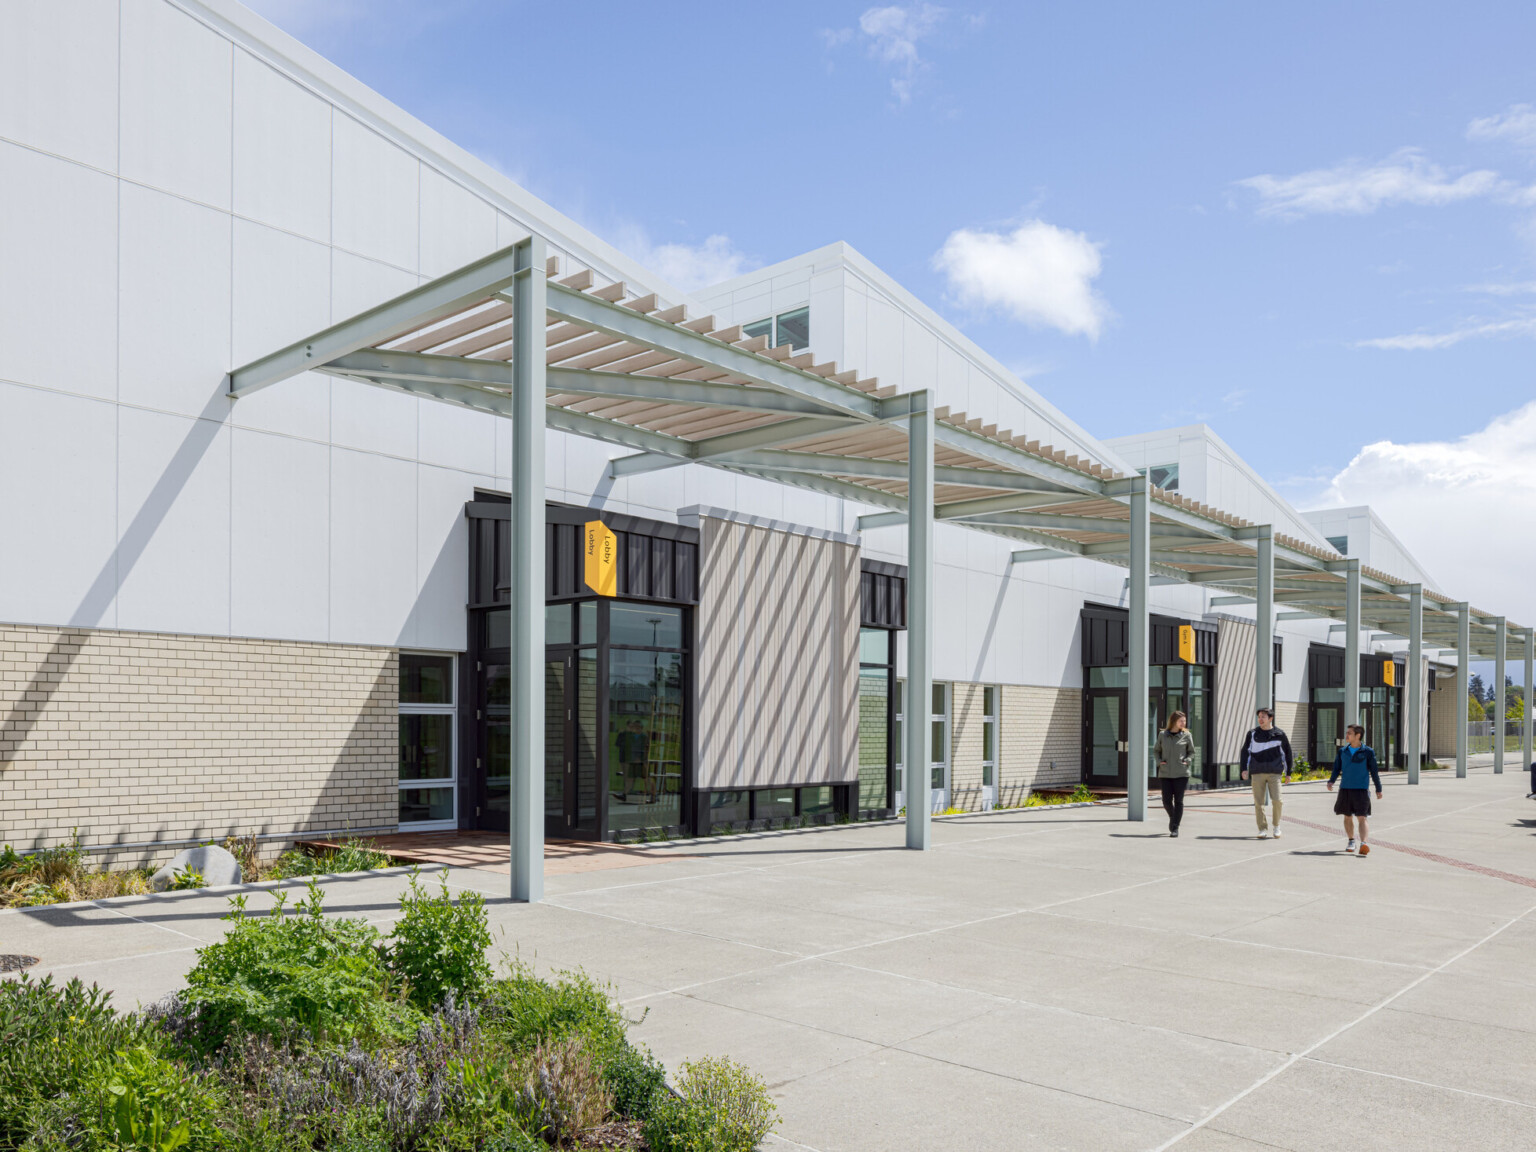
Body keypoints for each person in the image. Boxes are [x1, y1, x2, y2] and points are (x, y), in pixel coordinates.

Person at [1328, 724, 1382, 855]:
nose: (1346, 735)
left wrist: (1378, 788)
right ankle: (1351, 841)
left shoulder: (1368, 752)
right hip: (1345, 788)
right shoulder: (1342, 751)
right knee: (1347, 816)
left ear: (1358, 735)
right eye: (1347, 733)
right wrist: (1331, 781)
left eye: (1349, 733)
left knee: (1362, 817)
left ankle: (1364, 843)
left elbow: (1374, 771)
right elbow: (1336, 768)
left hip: (1361, 790)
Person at [1239, 707, 1293, 839]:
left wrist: (1288, 772)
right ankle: (1262, 828)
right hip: (1257, 772)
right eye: (1259, 717)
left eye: (1263, 716)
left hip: (1275, 773)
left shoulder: (1280, 734)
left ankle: (1276, 826)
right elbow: (1245, 752)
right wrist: (1244, 769)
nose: (1260, 719)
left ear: (1270, 718)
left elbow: (1287, 754)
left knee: (1277, 800)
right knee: (1259, 802)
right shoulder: (1252, 734)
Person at [1154, 710, 1195, 837]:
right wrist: (1159, 762)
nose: (1184, 723)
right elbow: (1156, 751)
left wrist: (1187, 761)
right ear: (1174, 721)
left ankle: (1175, 828)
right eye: (1181, 720)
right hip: (1165, 773)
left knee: (1179, 801)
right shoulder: (1162, 735)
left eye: (1184, 721)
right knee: (1166, 801)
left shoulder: (1187, 735)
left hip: (1181, 773)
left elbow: (1191, 752)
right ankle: (1173, 818)